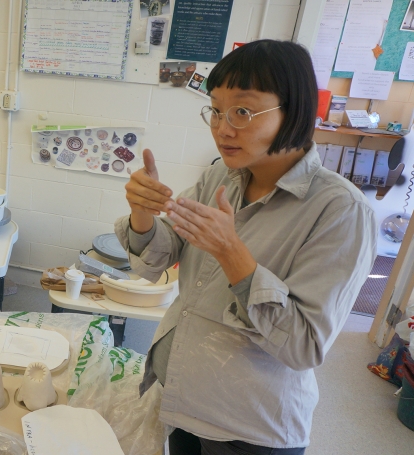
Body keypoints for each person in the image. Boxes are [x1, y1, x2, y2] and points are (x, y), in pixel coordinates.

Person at [116, 40, 376, 454]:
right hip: (181, 398)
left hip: (248, 428)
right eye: (216, 110)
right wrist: (142, 212)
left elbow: (305, 344)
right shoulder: (221, 176)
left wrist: (232, 254)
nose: (223, 127)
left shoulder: (340, 210)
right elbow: (155, 263)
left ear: (293, 109)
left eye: (243, 110)